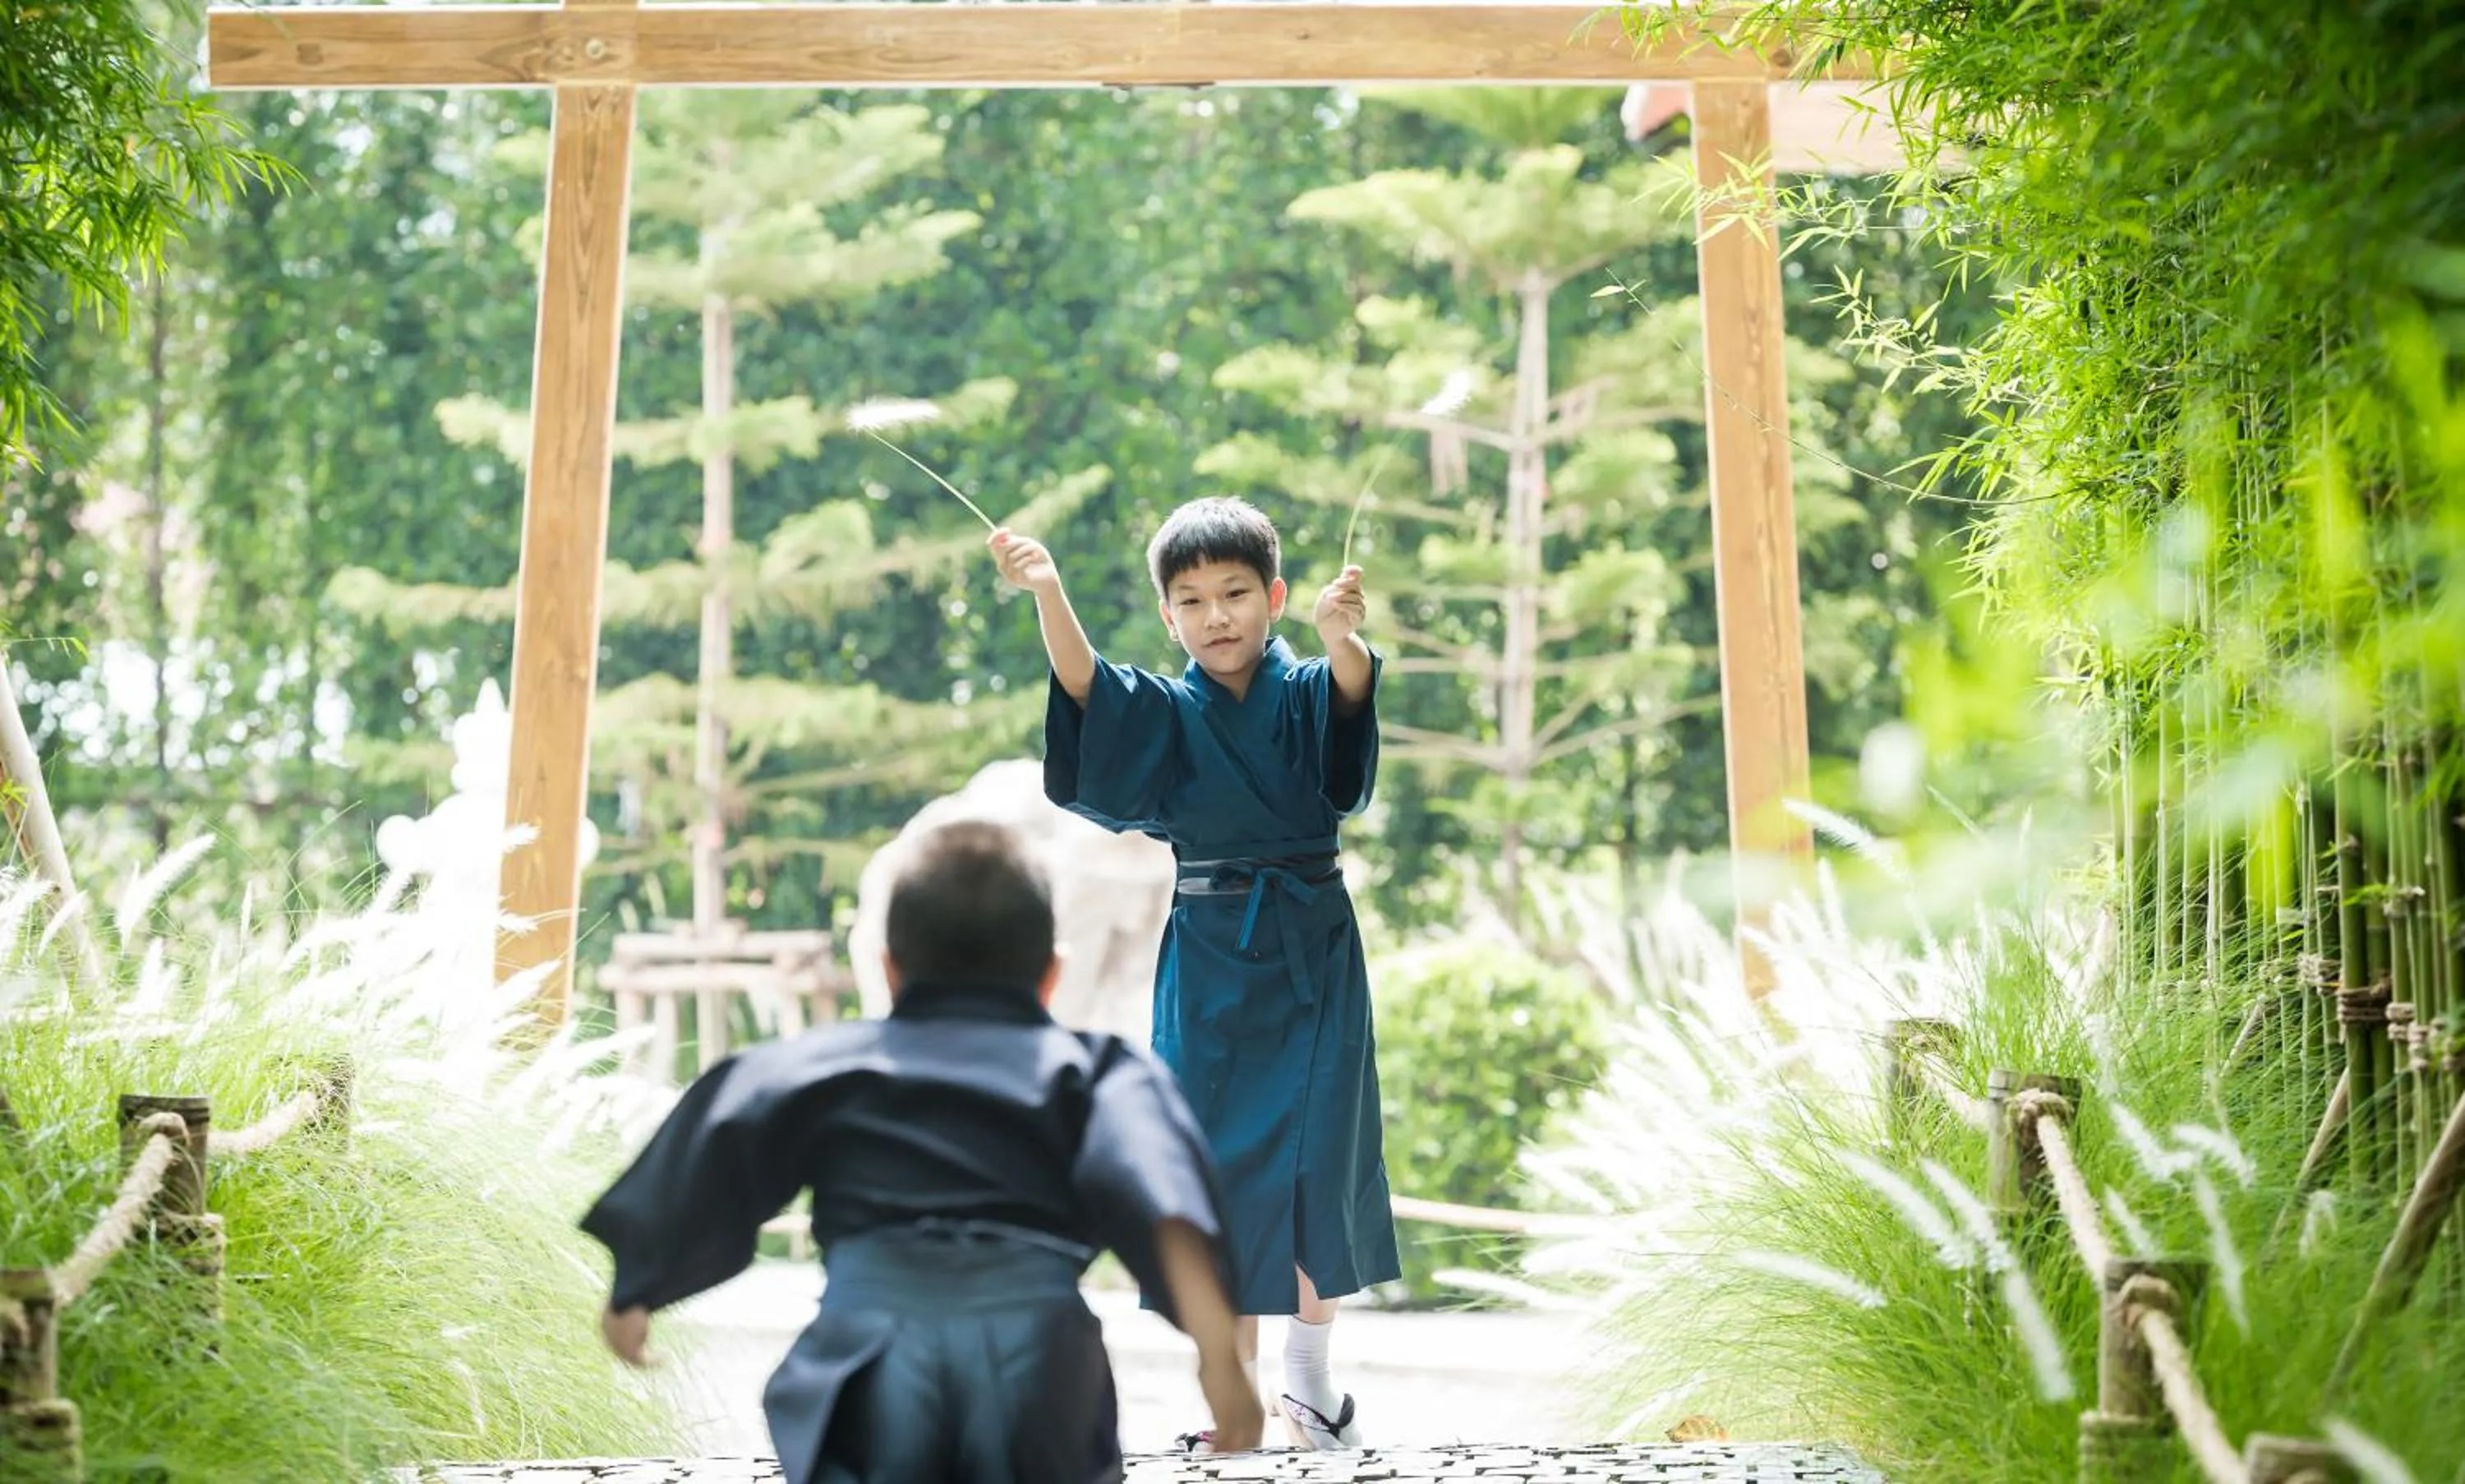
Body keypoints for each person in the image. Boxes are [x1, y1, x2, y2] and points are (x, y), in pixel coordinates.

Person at [578, 818, 1265, 1484]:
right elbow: (1160, 1190)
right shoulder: (1093, 1071)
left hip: (872, 1355)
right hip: (1037, 1358)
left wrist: (639, 1286)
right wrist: (1219, 1359)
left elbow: (725, 1128)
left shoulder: (832, 1066)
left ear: (890, 968)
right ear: (1052, 974)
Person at [988, 495, 1398, 1454]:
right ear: (1168, 615)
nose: (1217, 616)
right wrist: (1047, 591)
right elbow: (1087, 686)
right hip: (1209, 957)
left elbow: (1349, 695)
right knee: (1213, 1173)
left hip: (1313, 948)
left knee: (1317, 1162)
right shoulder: (1167, 712)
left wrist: (1343, 640)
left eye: (1236, 593)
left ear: (1275, 597)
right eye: (1193, 600)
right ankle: (1232, 1398)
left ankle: (1309, 1386)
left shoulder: (1309, 686)